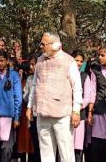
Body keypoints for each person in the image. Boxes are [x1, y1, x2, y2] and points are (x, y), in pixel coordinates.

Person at [26, 32, 82, 162]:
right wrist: (29, 106)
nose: (41, 47)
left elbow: (77, 87)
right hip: (42, 113)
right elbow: (34, 85)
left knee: (66, 153)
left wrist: (76, 111)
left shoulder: (68, 61)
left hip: (62, 115)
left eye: (43, 44)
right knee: (46, 153)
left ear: (55, 45)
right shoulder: (40, 60)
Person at [0, 49, 22, 162]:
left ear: (7, 61)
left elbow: (18, 97)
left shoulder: (14, 75)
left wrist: (16, 117)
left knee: (7, 148)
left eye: (2, 61)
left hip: (9, 117)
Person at [71, 50, 94, 162]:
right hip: (65, 115)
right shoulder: (66, 75)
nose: (79, 63)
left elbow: (87, 97)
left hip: (80, 115)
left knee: (78, 147)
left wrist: (76, 107)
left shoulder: (85, 77)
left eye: (81, 61)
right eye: (76, 60)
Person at [23, 53, 41, 162]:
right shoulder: (30, 79)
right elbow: (25, 97)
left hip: (45, 115)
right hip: (33, 116)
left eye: (33, 64)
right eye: (30, 64)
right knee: (36, 144)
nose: (31, 67)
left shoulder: (45, 78)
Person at [16, 61, 34, 162]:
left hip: (29, 111)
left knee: (30, 136)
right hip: (22, 111)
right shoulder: (20, 80)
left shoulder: (31, 80)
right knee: (23, 137)